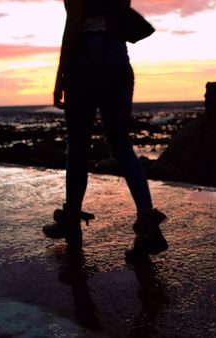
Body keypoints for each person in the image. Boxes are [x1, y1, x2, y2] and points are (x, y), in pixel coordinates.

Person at [42, 0, 167, 259]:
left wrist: (59, 77)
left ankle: (71, 220)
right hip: (117, 57)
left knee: (77, 147)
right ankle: (148, 223)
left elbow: (74, 22)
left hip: (86, 58)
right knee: (121, 145)